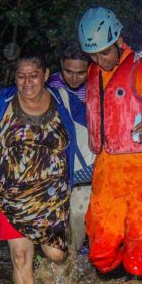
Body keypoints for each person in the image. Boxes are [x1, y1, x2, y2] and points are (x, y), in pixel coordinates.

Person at [78, 7, 142, 278]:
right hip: (108, 165)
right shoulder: (92, 73)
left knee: (136, 247)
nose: (99, 60)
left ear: (119, 41)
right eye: (93, 54)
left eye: (104, 52)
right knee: (100, 247)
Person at [0, 46, 85, 284]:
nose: (27, 82)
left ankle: (58, 268)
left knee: (56, 254)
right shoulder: (1, 102)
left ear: (45, 74)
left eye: (33, 75)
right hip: (11, 193)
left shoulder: (62, 101)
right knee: (21, 258)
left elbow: (97, 120)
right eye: (21, 76)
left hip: (52, 196)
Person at [47, 42, 95, 256]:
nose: (75, 78)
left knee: (79, 221)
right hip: (58, 169)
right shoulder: (48, 87)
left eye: (80, 73)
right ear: (60, 66)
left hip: (89, 169)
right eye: (69, 71)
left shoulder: (98, 83)